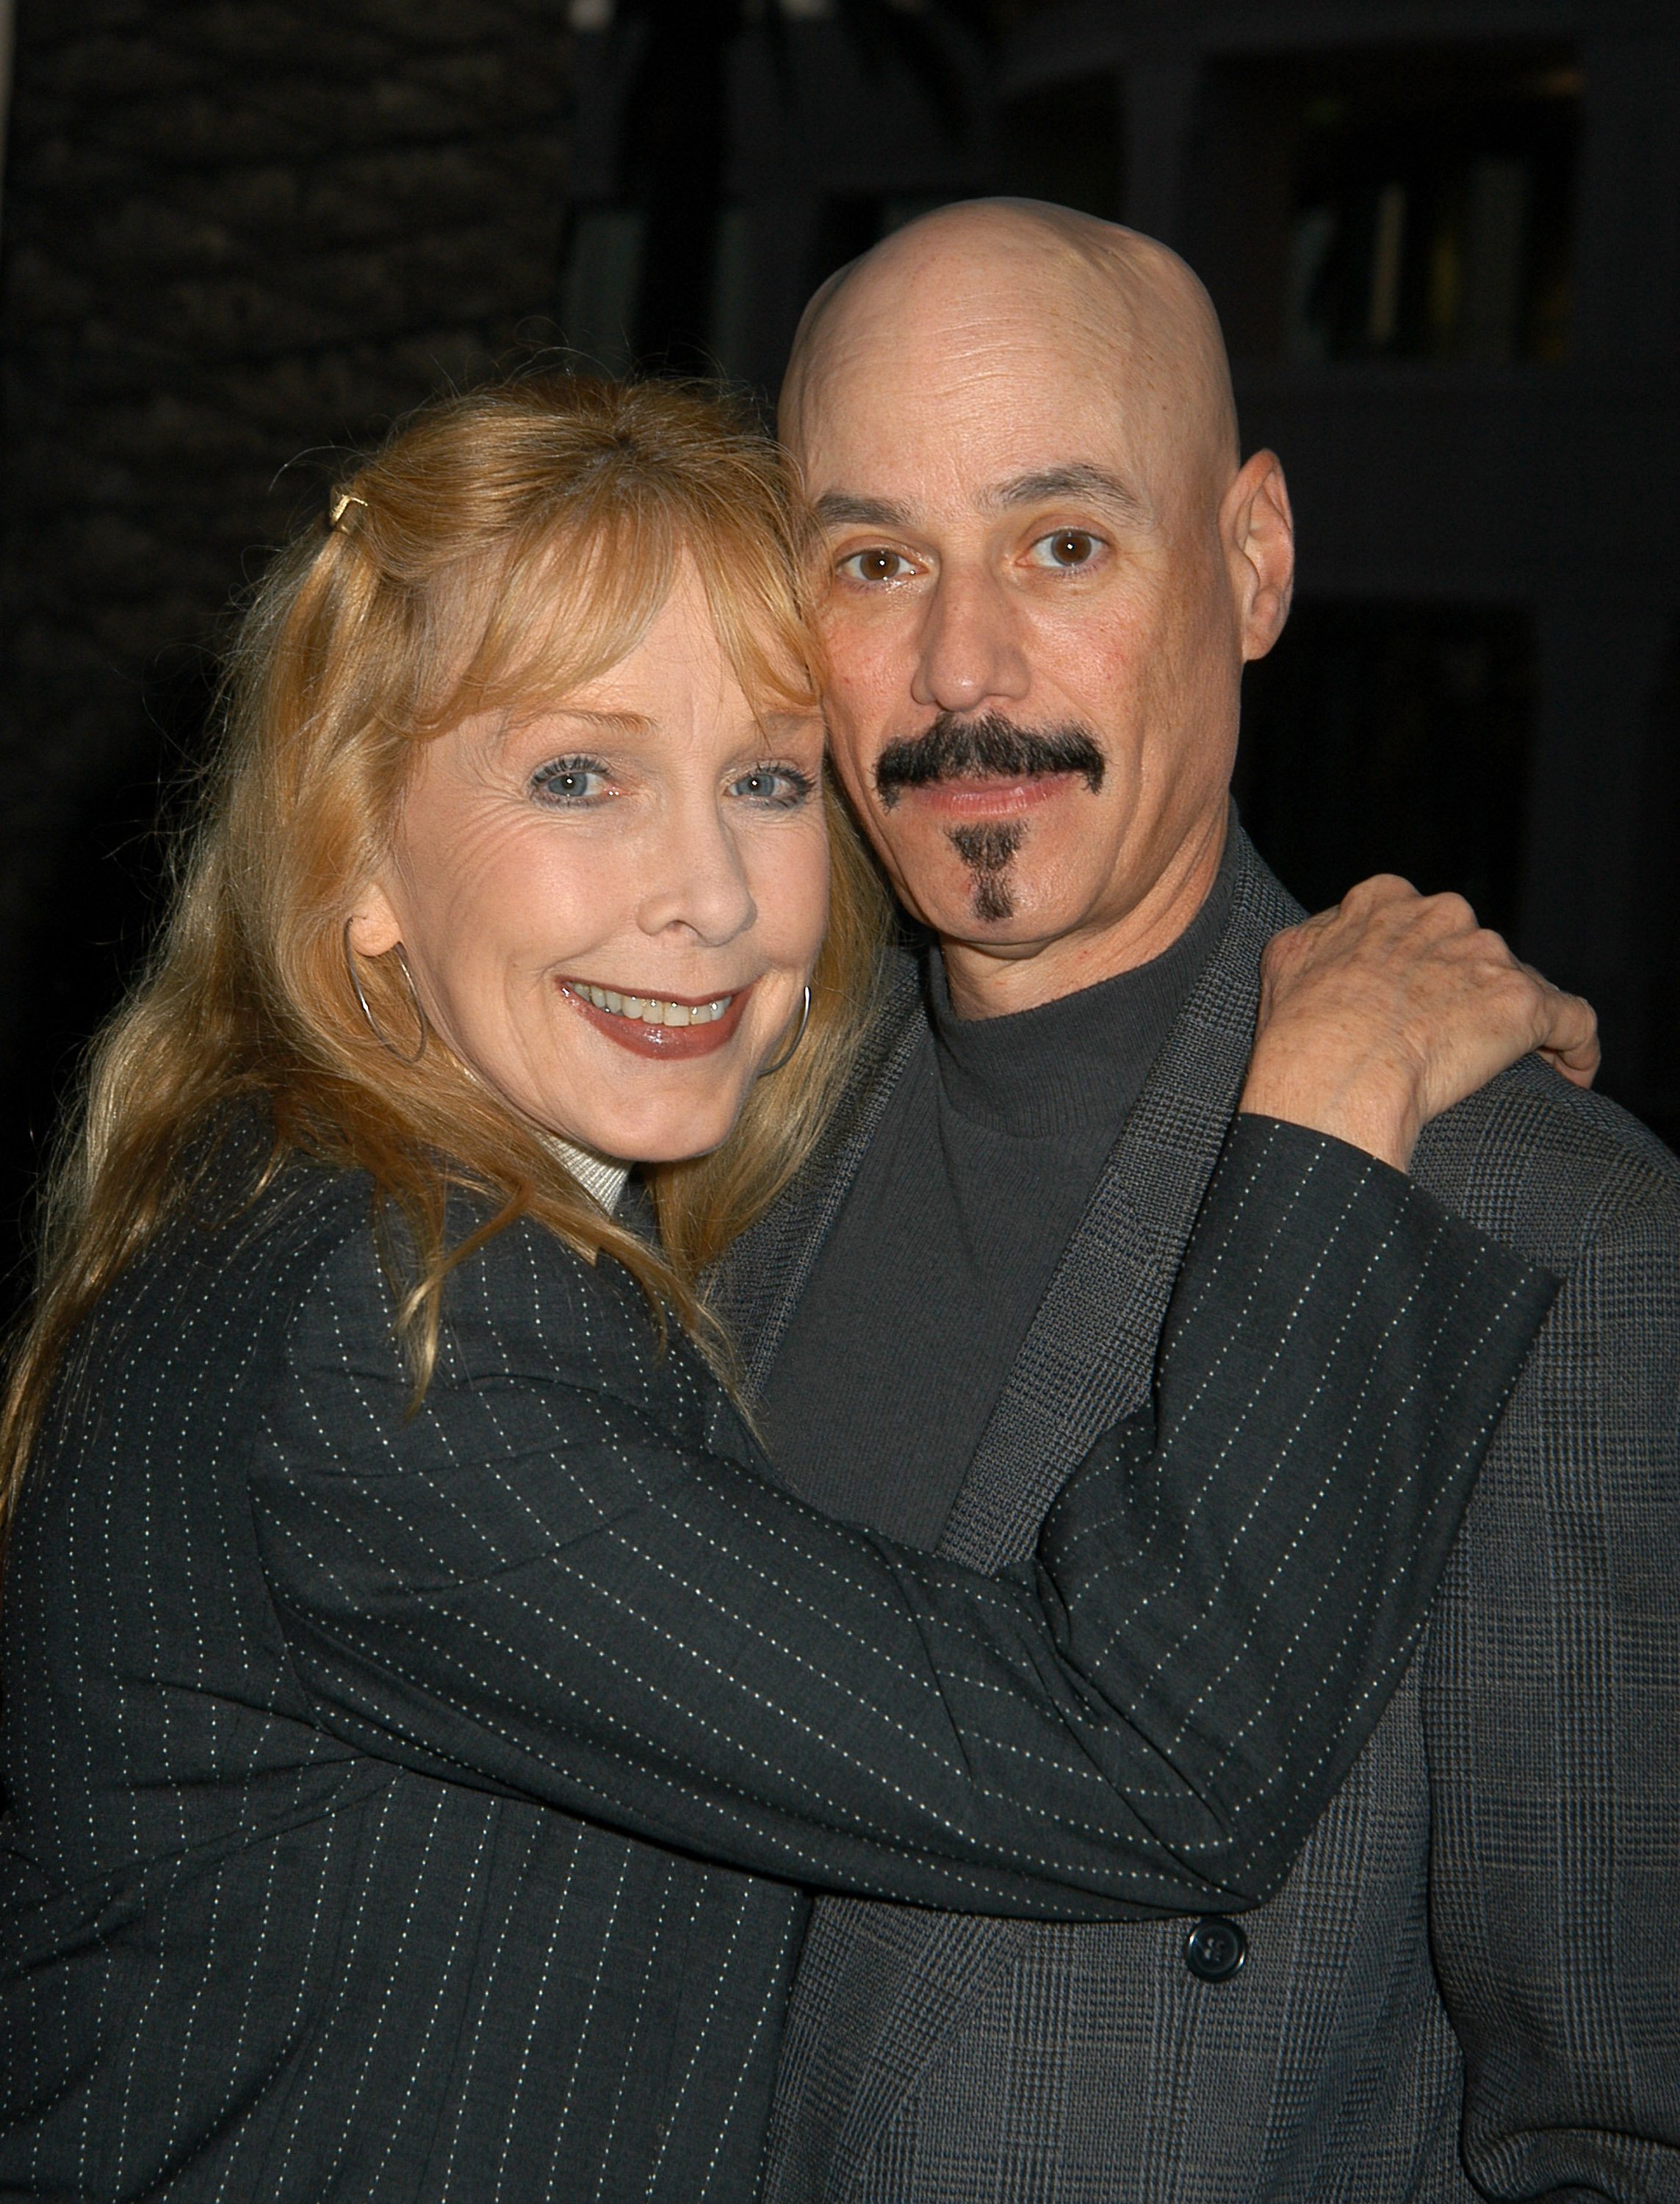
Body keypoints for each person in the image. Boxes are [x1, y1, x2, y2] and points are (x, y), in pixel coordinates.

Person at [0, 377, 1581, 2202]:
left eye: (764, 779)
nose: (711, 894)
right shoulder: (404, 1333)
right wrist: (1322, 1103)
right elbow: (1157, 1761)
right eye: (577, 775)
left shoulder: (311, 1209)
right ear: (356, 857)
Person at [730, 200, 1680, 2203]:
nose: (962, 667)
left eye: (1062, 544)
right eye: (876, 558)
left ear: (1252, 562)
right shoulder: (704, 1128)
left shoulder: (1546, 1236)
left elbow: (1618, 2125)